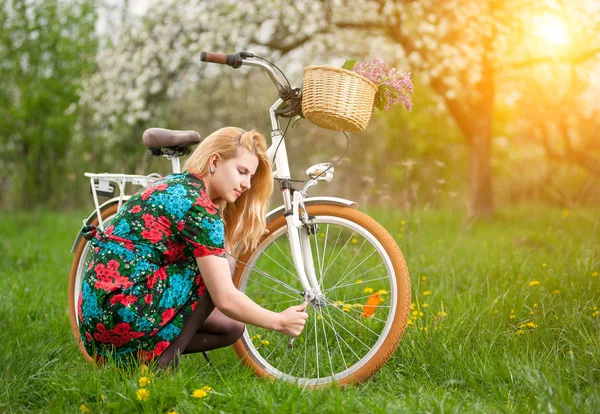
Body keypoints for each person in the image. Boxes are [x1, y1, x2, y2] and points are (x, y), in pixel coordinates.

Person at [77, 127, 309, 368]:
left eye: (250, 176)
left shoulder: (178, 184)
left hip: (96, 317)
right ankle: (162, 365)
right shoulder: (198, 209)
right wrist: (279, 321)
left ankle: (135, 360)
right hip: (122, 310)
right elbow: (226, 299)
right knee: (220, 266)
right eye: (241, 172)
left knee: (231, 328)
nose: (247, 184)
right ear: (215, 161)